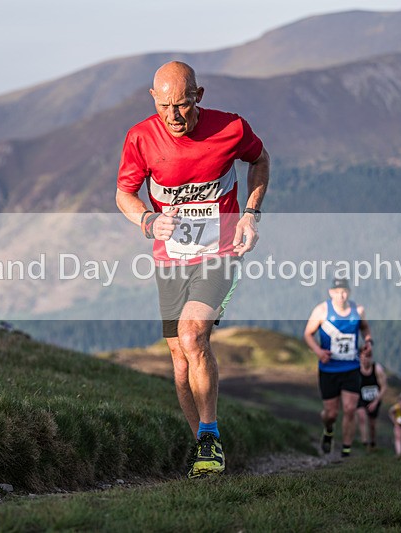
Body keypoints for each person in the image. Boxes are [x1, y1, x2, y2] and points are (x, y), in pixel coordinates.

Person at [116, 61, 270, 478]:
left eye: (182, 105)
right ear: (154, 100)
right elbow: (124, 193)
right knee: (179, 357)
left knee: (192, 334)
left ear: (198, 97)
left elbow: (260, 161)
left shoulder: (230, 128)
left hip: (219, 252)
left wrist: (250, 214)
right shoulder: (141, 138)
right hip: (170, 259)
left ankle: (209, 436)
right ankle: (204, 445)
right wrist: (148, 221)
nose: (174, 116)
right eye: (165, 106)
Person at [304, 278, 374, 457]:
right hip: (329, 370)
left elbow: (365, 328)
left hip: (351, 367)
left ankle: (346, 449)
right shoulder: (321, 311)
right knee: (331, 413)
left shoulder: (358, 310)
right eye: (338, 292)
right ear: (331, 292)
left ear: (349, 292)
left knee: (350, 409)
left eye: (345, 291)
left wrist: (368, 342)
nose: (342, 295)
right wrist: (319, 351)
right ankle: (328, 430)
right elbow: (308, 334)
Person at [356, 348, 387, 450]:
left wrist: (376, 401)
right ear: (360, 357)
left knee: (372, 423)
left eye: (368, 357)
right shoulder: (356, 370)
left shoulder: (377, 369)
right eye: (364, 357)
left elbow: (384, 387)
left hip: (375, 398)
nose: (366, 360)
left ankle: (373, 442)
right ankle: (364, 442)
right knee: (361, 416)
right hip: (361, 397)